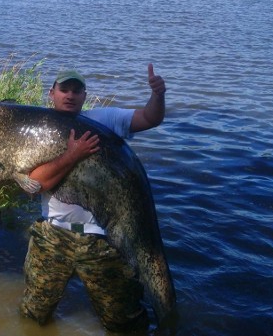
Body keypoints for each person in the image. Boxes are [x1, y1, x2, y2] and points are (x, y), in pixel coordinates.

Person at [20, 64, 166, 333]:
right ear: (51, 93)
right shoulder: (38, 129)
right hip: (53, 234)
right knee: (34, 314)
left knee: (125, 322)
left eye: (77, 90)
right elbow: (35, 185)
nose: (70, 95)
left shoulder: (102, 119)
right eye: (64, 89)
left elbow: (149, 118)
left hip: (103, 240)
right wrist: (74, 154)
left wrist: (158, 95)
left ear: (85, 96)